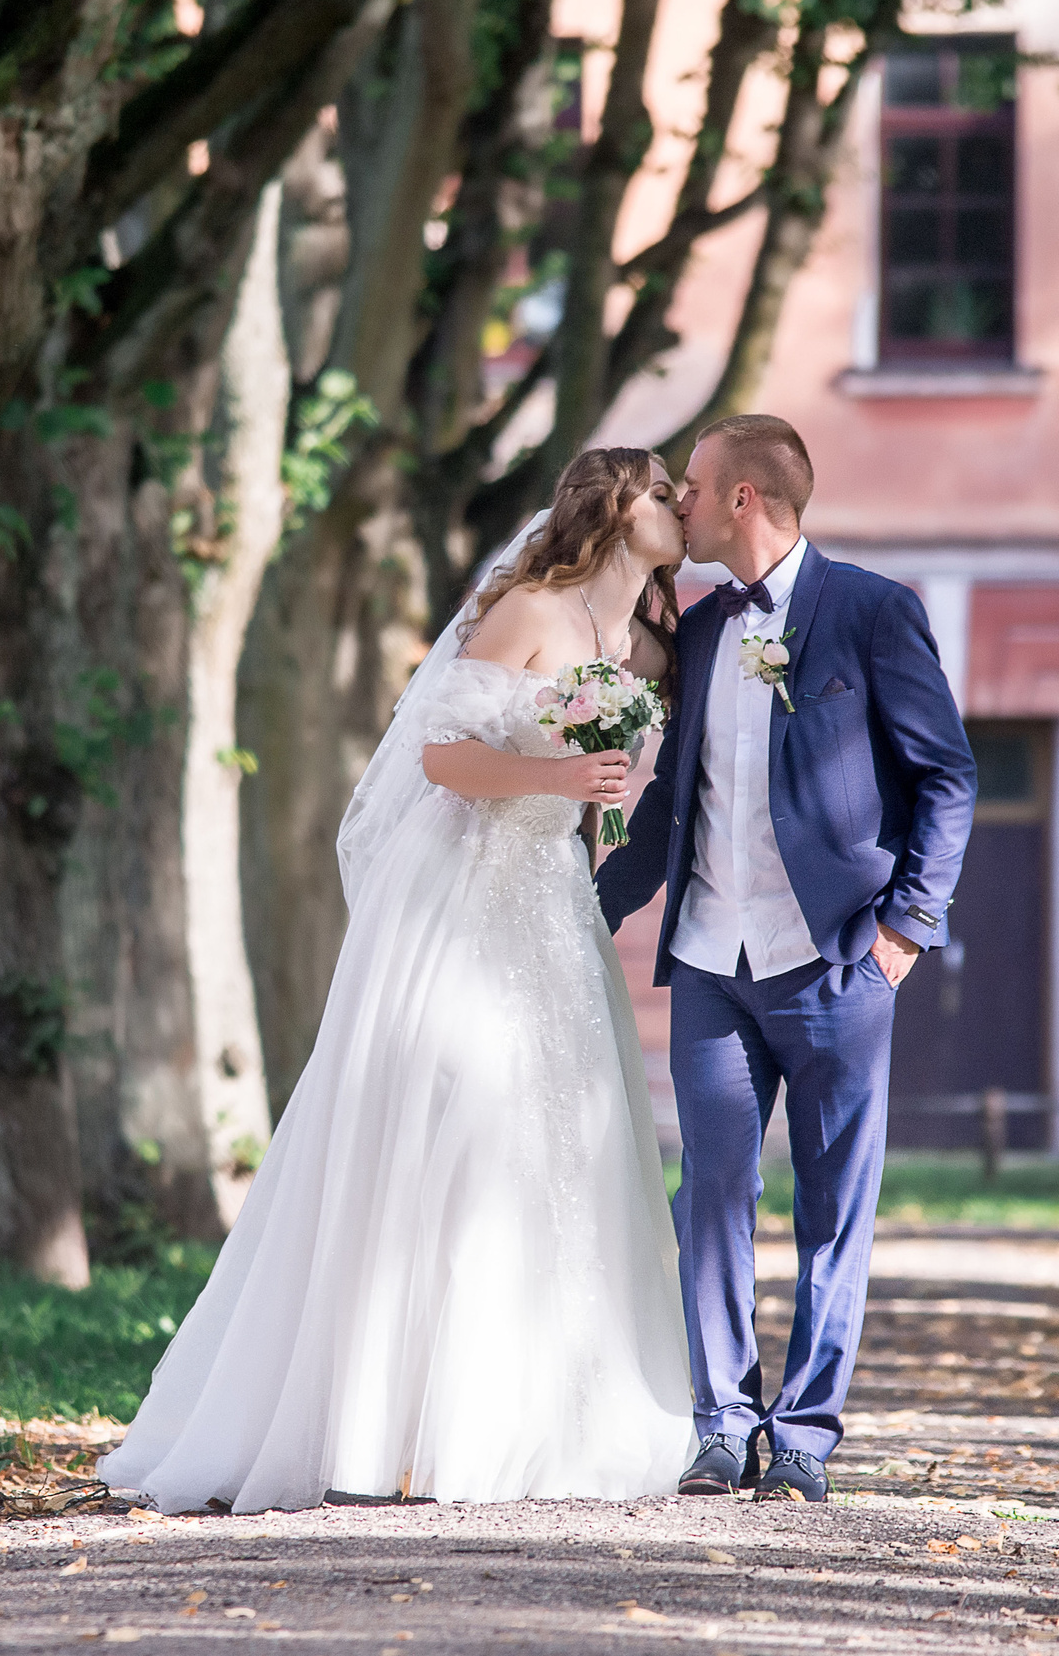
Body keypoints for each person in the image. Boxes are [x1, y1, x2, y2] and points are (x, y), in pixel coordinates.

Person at [99, 448, 699, 1513]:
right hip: (464, 890)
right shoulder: (529, 610)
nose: (679, 506)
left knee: (555, 1140)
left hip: (553, 900)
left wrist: (589, 805)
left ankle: (532, 1415)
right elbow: (440, 756)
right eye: (662, 491)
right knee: (449, 1126)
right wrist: (559, 776)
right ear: (612, 509)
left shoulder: (648, 643)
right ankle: (389, 1424)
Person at [596, 414, 975, 1504]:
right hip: (713, 961)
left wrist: (907, 927)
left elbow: (945, 776)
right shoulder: (704, 629)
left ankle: (803, 1433)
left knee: (830, 1203)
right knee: (708, 1190)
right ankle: (720, 1422)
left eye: (695, 490)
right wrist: (590, 905)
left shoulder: (871, 613)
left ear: (744, 501)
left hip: (838, 963)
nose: (681, 507)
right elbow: (676, 795)